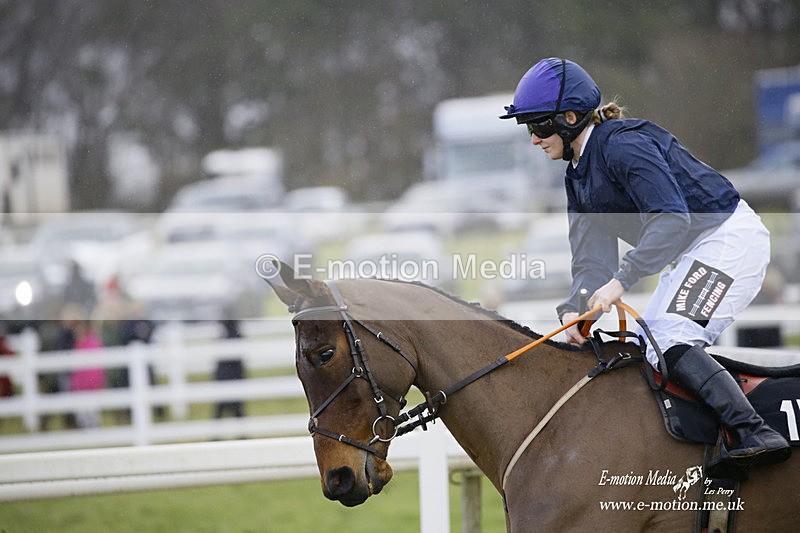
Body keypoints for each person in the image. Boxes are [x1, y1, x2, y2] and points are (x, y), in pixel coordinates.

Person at [500, 57, 790, 480]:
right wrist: (577, 310)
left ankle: (752, 433)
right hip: (692, 252)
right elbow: (590, 261)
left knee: (671, 335)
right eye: (527, 128)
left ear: (570, 117)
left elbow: (672, 219)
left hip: (727, 239)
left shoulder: (622, 144)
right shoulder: (577, 176)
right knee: (642, 342)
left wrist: (622, 281)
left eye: (540, 127)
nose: (533, 139)